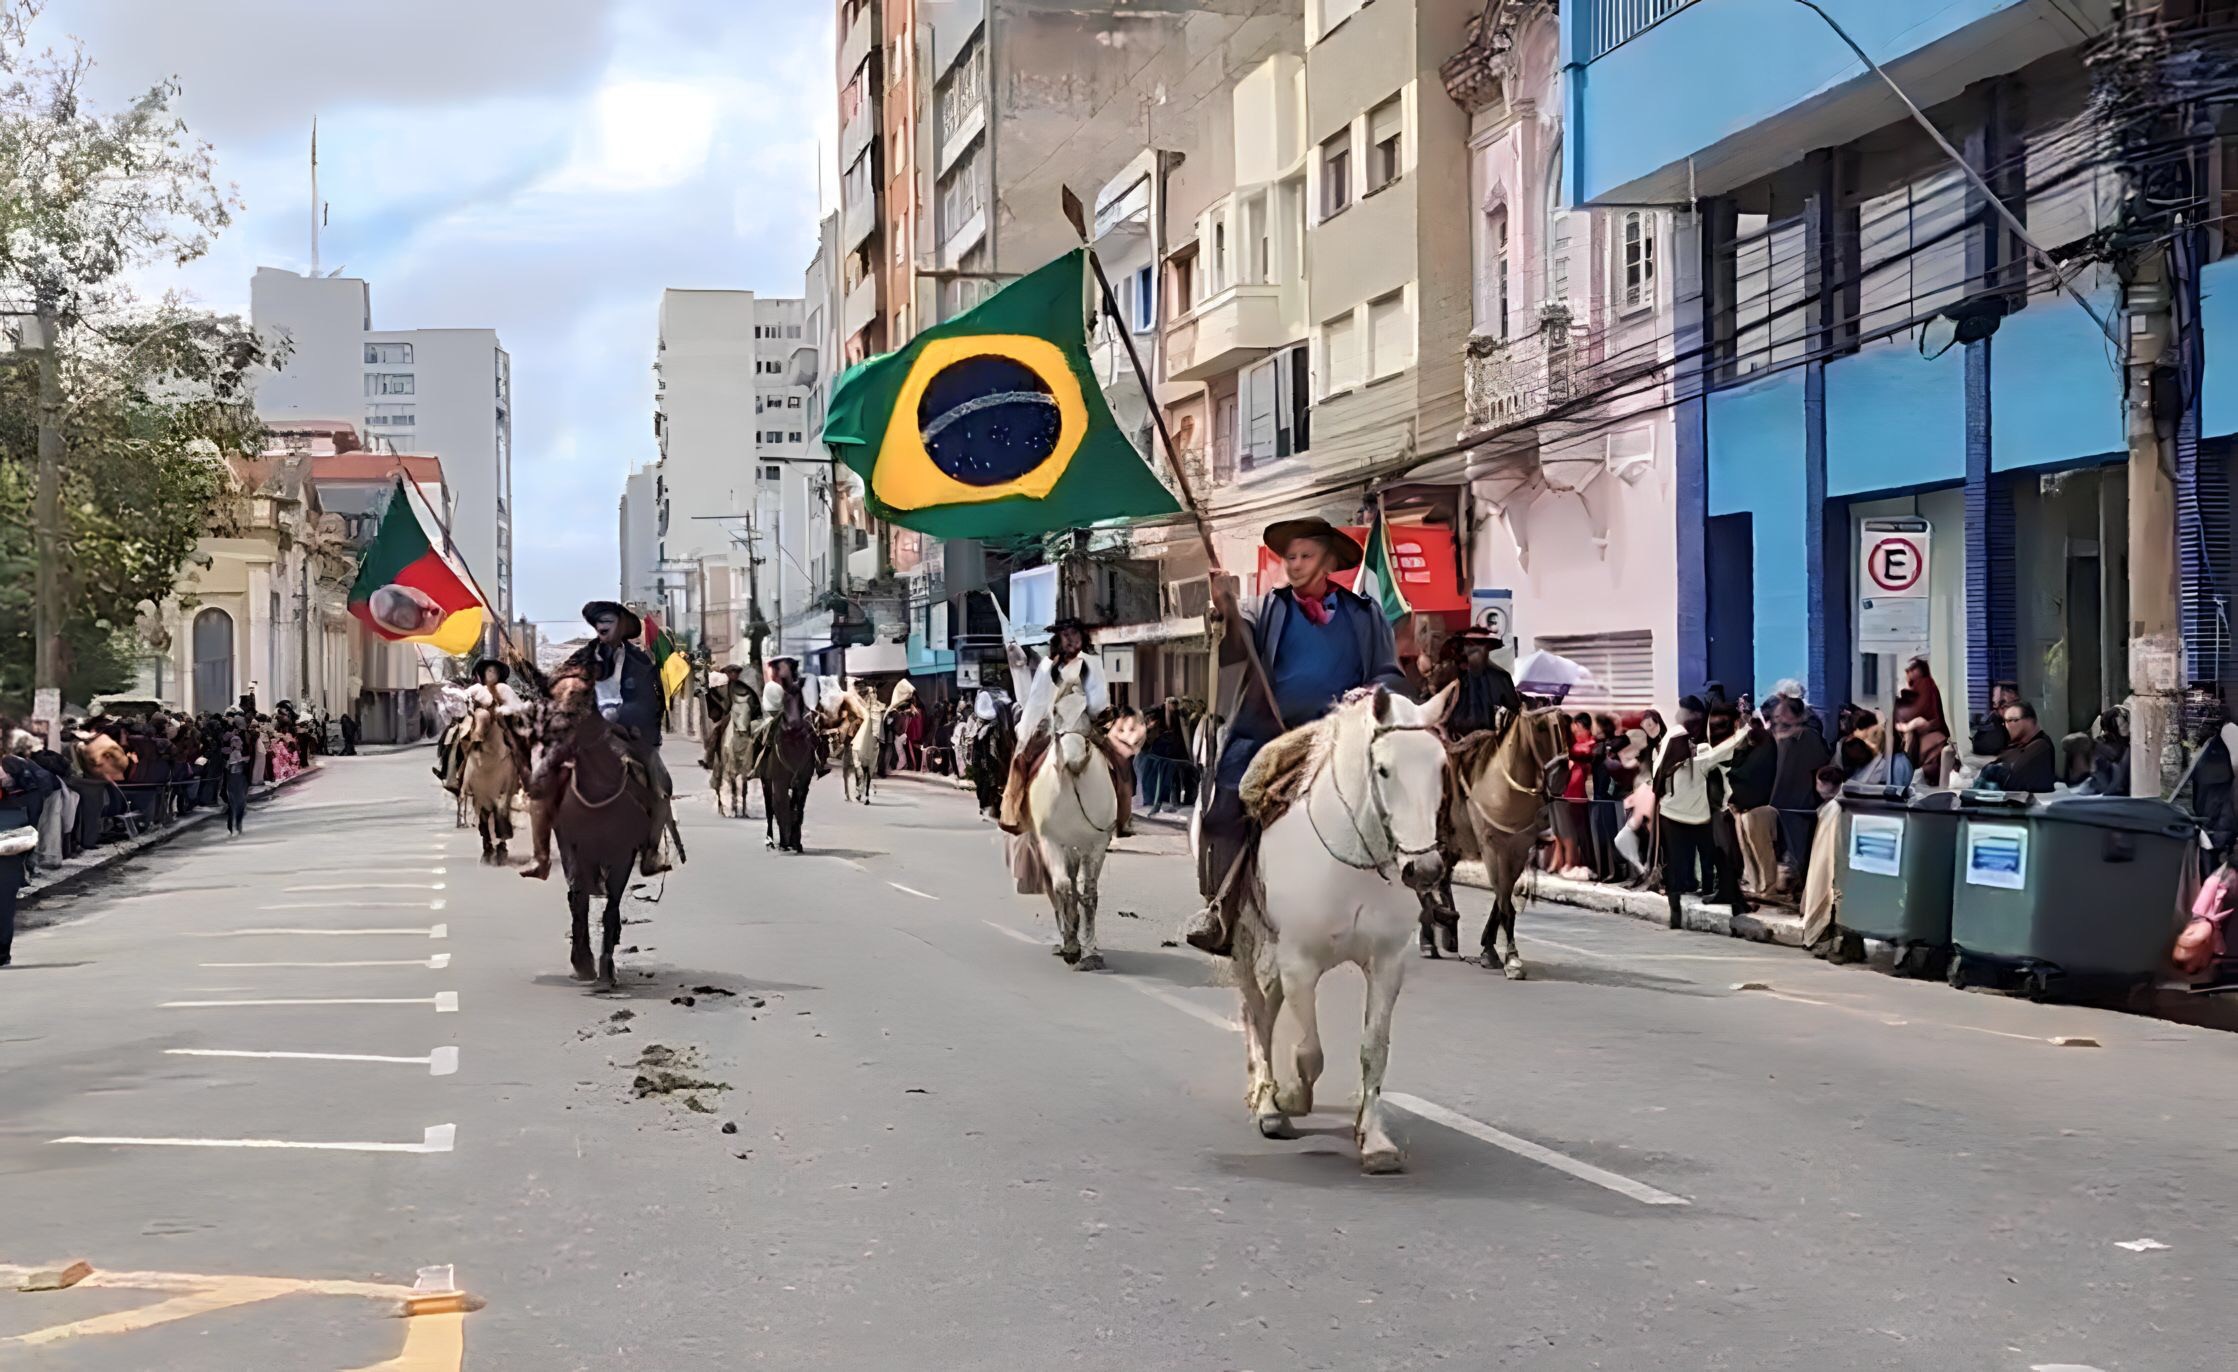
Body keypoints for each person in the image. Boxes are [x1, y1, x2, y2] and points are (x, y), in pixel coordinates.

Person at [1186, 517, 1408, 956]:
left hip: (1343, 735)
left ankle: (1419, 884)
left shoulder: (1366, 615)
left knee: (1405, 788)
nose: (1295, 564)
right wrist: (1225, 609)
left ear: (1328, 561)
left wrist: (1372, 690)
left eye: (1306, 556)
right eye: (1290, 557)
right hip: (1267, 734)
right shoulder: (1263, 608)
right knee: (1224, 809)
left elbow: (1391, 676)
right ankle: (1222, 908)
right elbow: (1235, 650)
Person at [520, 601, 672, 880]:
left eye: (608, 619)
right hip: (585, 731)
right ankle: (540, 856)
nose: (602, 624)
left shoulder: (642, 663)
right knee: (542, 779)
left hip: (630, 733)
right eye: (598, 620)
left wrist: (632, 721)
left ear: (622, 626)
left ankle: (651, 852)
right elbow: (559, 690)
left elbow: (652, 701)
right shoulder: (580, 658)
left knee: (661, 784)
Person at [1000, 617, 1133, 835]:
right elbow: (1037, 701)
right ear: (1059, 639)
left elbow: (1099, 701)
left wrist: (1101, 716)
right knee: (1021, 760)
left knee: (1122, 761)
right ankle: (1014, 812)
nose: (1071, 639)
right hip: (1052, 726)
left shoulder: (1092, 662)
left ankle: (1120, 818)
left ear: (1082, 637)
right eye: (1066, 635)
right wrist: (1026, 731)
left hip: (1085, 725)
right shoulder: (1047, 667)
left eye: (1075, 634)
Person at [1653, 695, 1756, 929]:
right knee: (1717, 856)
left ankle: (1676, 914)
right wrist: (1744, 730)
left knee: (1677, 866)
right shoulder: (1700, 760)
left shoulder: (1665, 756)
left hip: (1671, 815)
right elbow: (1723, 752)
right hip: (1696, 819)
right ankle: (1730, 901)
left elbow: (1657, 778)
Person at [1769, 692, 1831, 893]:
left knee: (1799, 852)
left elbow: (1815, 766)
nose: (1777, 722)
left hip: (1799, 806)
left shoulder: (1807, 739)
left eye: (1782, 717)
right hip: (1781, 804)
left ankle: (1801, 890)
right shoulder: (1783, 739)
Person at [1802, 764, 1864, 962]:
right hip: (1846, 863)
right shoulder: (1844, 801)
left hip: (1835, 863)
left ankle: (1838, 947)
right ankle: (1850, 948)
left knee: (1832, 904)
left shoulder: (1835, 807)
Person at [1725, 702, 1780, 897]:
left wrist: (1730, 767)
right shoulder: (1746, 741)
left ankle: (1768, 886)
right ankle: (1755, 884)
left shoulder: (1764, 742)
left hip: (1757, 804)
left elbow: (1748, 771)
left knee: (1761, 849)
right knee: (1747, 849)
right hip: (1741, 804)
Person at [1988, 700, 2057, 793]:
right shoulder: (2020, 744)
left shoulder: (2040, 745)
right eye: (2005, 721)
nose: (2007, 726)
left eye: (2013, 720)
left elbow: (2012, 781)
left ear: (2030, 720)